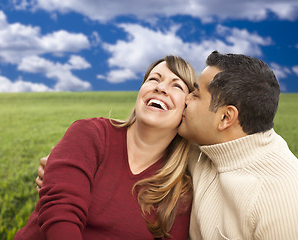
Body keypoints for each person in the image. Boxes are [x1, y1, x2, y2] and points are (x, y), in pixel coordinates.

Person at [37, 51, 298, 239]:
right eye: (153, 79)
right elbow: (61, 201)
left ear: (226, 118)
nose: (163, 90)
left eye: (192, 93)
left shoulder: (281, 198)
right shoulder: (202, 149)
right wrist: (62, 170)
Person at [14, 55, 198, 240]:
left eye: (176, 86)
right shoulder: (90, 133)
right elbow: (60, 213)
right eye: (153, 79)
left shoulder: (178, 191)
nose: (160, 87)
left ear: (187, 109)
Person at [178, 51, 298, 239]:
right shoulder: (205, 145)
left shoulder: (281, 198)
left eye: (196, 94)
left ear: (225, 117)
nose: (185, 99)